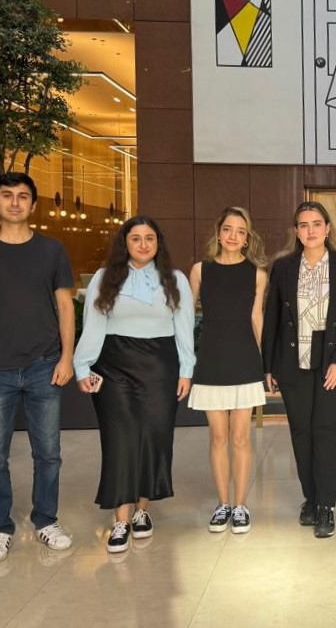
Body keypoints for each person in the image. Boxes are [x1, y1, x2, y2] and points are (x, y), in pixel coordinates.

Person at [0, 172, 76, 563]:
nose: (14, 202)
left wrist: (67, 357)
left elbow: (65, 307)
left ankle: (46, 520)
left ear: (33, 204)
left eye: (23, 196)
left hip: (45, 364)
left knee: (49, 453)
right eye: (7, 195)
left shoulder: (52, 250)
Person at [73, 216, 195, 553]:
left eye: (149, 238)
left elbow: (184, 326)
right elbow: (93, 324)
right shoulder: (105, 278)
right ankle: (121, 520)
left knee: (154, 437)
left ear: (158, 243)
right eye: (136, 238)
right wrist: (82, 365)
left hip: (160, 366)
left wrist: (186, 369)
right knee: (120, 439)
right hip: (114, 367)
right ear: (124, 243)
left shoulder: (175, 279)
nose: (143, 244)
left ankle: (143, 510)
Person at [262, 201, 336, 538]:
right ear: (296, 231)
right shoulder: (283, 268)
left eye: (316, 224)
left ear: (327, 228)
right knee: (301, 432)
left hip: (332, 359)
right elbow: (273, 316)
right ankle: (311, 497)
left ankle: (326, 506)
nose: (310, 230)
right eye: (303, 225)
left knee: (327, 430)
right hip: (294, 360)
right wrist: (268, 365)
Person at [188, 207, 267, 535]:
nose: (234, 236)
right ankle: (223, 504)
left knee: (240, 436)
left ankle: (241, 504)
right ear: (218, 232)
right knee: (218, 436)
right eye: (228, 229)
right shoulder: (200, 270)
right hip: (211, 359)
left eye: (241, 231)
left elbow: (256, 317)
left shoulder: (257, 273)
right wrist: (184, 361)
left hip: (244, 359)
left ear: (247, 238)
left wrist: (265, 363)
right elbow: (185, 316)